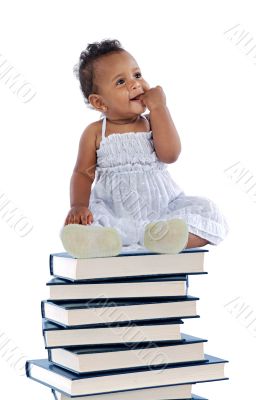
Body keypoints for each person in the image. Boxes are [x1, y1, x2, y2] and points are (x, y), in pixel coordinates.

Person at [60, 39, 229, 258]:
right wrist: (78, 206)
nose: (135, 84)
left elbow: (170, 154)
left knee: (209, 211)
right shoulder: (94, 132)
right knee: (91, 223)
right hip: (115, 210)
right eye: (121, 82)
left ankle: (164, 238)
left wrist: (159, 108)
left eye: (137, 75)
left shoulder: (152, 122)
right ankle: (104, 241)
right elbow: (83, 173)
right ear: (100, 103)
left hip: (160, 208)